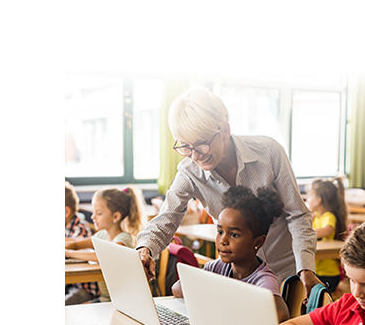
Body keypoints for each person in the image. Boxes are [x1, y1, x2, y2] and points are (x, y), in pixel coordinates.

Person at [136, 87, 320, 297]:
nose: (195, 156)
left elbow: (297, 214)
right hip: (238, 279)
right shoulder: (189, 172)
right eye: (186, 147)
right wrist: (145, 250)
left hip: (289, 274)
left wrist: (306, 269)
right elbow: (166, 219)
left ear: (225, 130)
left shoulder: (269, 152)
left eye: (202, 145)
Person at [172, 186, 290, 322]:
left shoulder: (263, 279)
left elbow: (280, 314)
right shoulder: (216, 267)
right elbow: (177, 288)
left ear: (258, 241)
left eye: (234, 234)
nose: (223, 240)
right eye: (220, 232)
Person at [65, 186, 144, 302]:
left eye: (99, 213)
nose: (93, 217)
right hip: (104, 298)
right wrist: (68, 246)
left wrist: (69, 253)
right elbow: (76, 243)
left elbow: (103, 257)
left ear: (116, 216)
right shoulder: (101, 235)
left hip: (121, 301)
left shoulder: (124, 239)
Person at [305, 177, 348, 292]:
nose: (307, 199)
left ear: (318, 200)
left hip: (328, 275)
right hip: (317, 272)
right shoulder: (316, 217)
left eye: (309, 196)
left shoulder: (328, 216)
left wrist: (306, 234)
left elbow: (328, 230)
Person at [65, 181, 100, 305]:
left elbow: (74, 245)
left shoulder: (80, 227)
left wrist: (67, 250)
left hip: (85, 288)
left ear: (66, 212)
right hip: (71, 285)